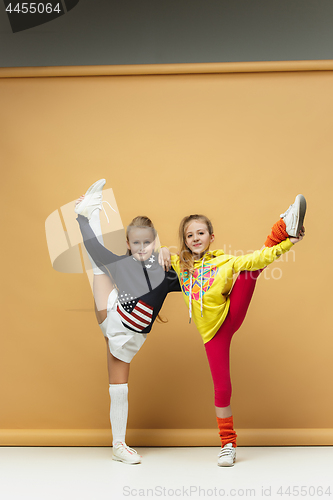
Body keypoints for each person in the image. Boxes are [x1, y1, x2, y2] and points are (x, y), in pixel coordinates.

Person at [169, 195, 306, 466]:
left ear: (211, 237)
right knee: (222, 388)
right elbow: (154, 254)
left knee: (250, 268)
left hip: (230, 316)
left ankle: (283, 229)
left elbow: (261, 257)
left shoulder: (225, 262)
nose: (195, 238)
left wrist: (289, 243)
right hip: (212, 334)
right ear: (185, 240)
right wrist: (162, 250)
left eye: (200, 233)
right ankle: (228, 442)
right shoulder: (179, 265)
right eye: (189, 235)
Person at [74, 179, 181, 464]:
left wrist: (171, 252)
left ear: (154, 241)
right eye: (136, 243)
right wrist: (83, 222)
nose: (142, 247)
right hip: (113, 316)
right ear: (128, 243)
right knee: (99, 262)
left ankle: (88, 212)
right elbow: (95, 250)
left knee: (119, 383)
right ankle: (118, 444)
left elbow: (194, 282)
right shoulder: (125, 265)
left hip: (132, 334)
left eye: (148, 242)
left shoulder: (165, 271)